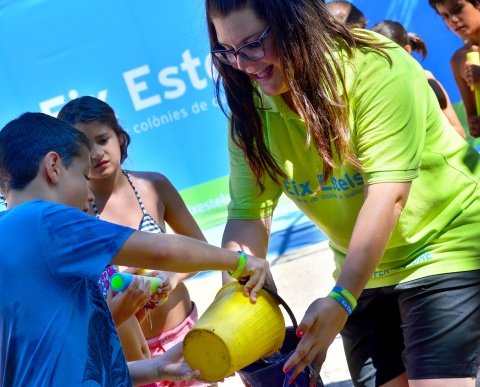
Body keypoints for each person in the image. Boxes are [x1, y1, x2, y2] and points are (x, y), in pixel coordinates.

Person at [205, 0, 480, 386]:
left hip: (445, 245)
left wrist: (341, 300)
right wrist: (234, 306)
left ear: (295, 23)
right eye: (227, 51)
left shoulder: (374, 65)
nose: (244, 64)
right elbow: (248, 215)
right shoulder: (249, 109)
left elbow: (388, 196)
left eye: (253, 44)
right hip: (365, 273)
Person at [0, 112, 271, 386]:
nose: (90, 194)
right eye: (84, 176)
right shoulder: (45, 220)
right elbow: (162, 251)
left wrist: (158, 368)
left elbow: (64, 364)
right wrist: (239, 261)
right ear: (54, 166)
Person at [57, 96, 210, 387]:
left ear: (120, 137)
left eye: (103, 139)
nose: (97, 153)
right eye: (84, 147)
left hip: (183, 335)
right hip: (130, 363)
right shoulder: (74, 214)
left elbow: (200, 249)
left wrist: (171, 277)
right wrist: (126, 284)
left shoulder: (153, 186)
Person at [371, 19, 467, 139]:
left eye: (388, 55)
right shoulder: (375, 92)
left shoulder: (426, 80)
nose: (380, 62)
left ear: (407, 51)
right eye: (374, 55)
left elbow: (459, 132)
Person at [429, 0, 480, 138]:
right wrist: (475, 125)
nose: (453, 20)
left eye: (457, 9)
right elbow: (473, 117)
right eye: (445, 16)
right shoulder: (458, 60)